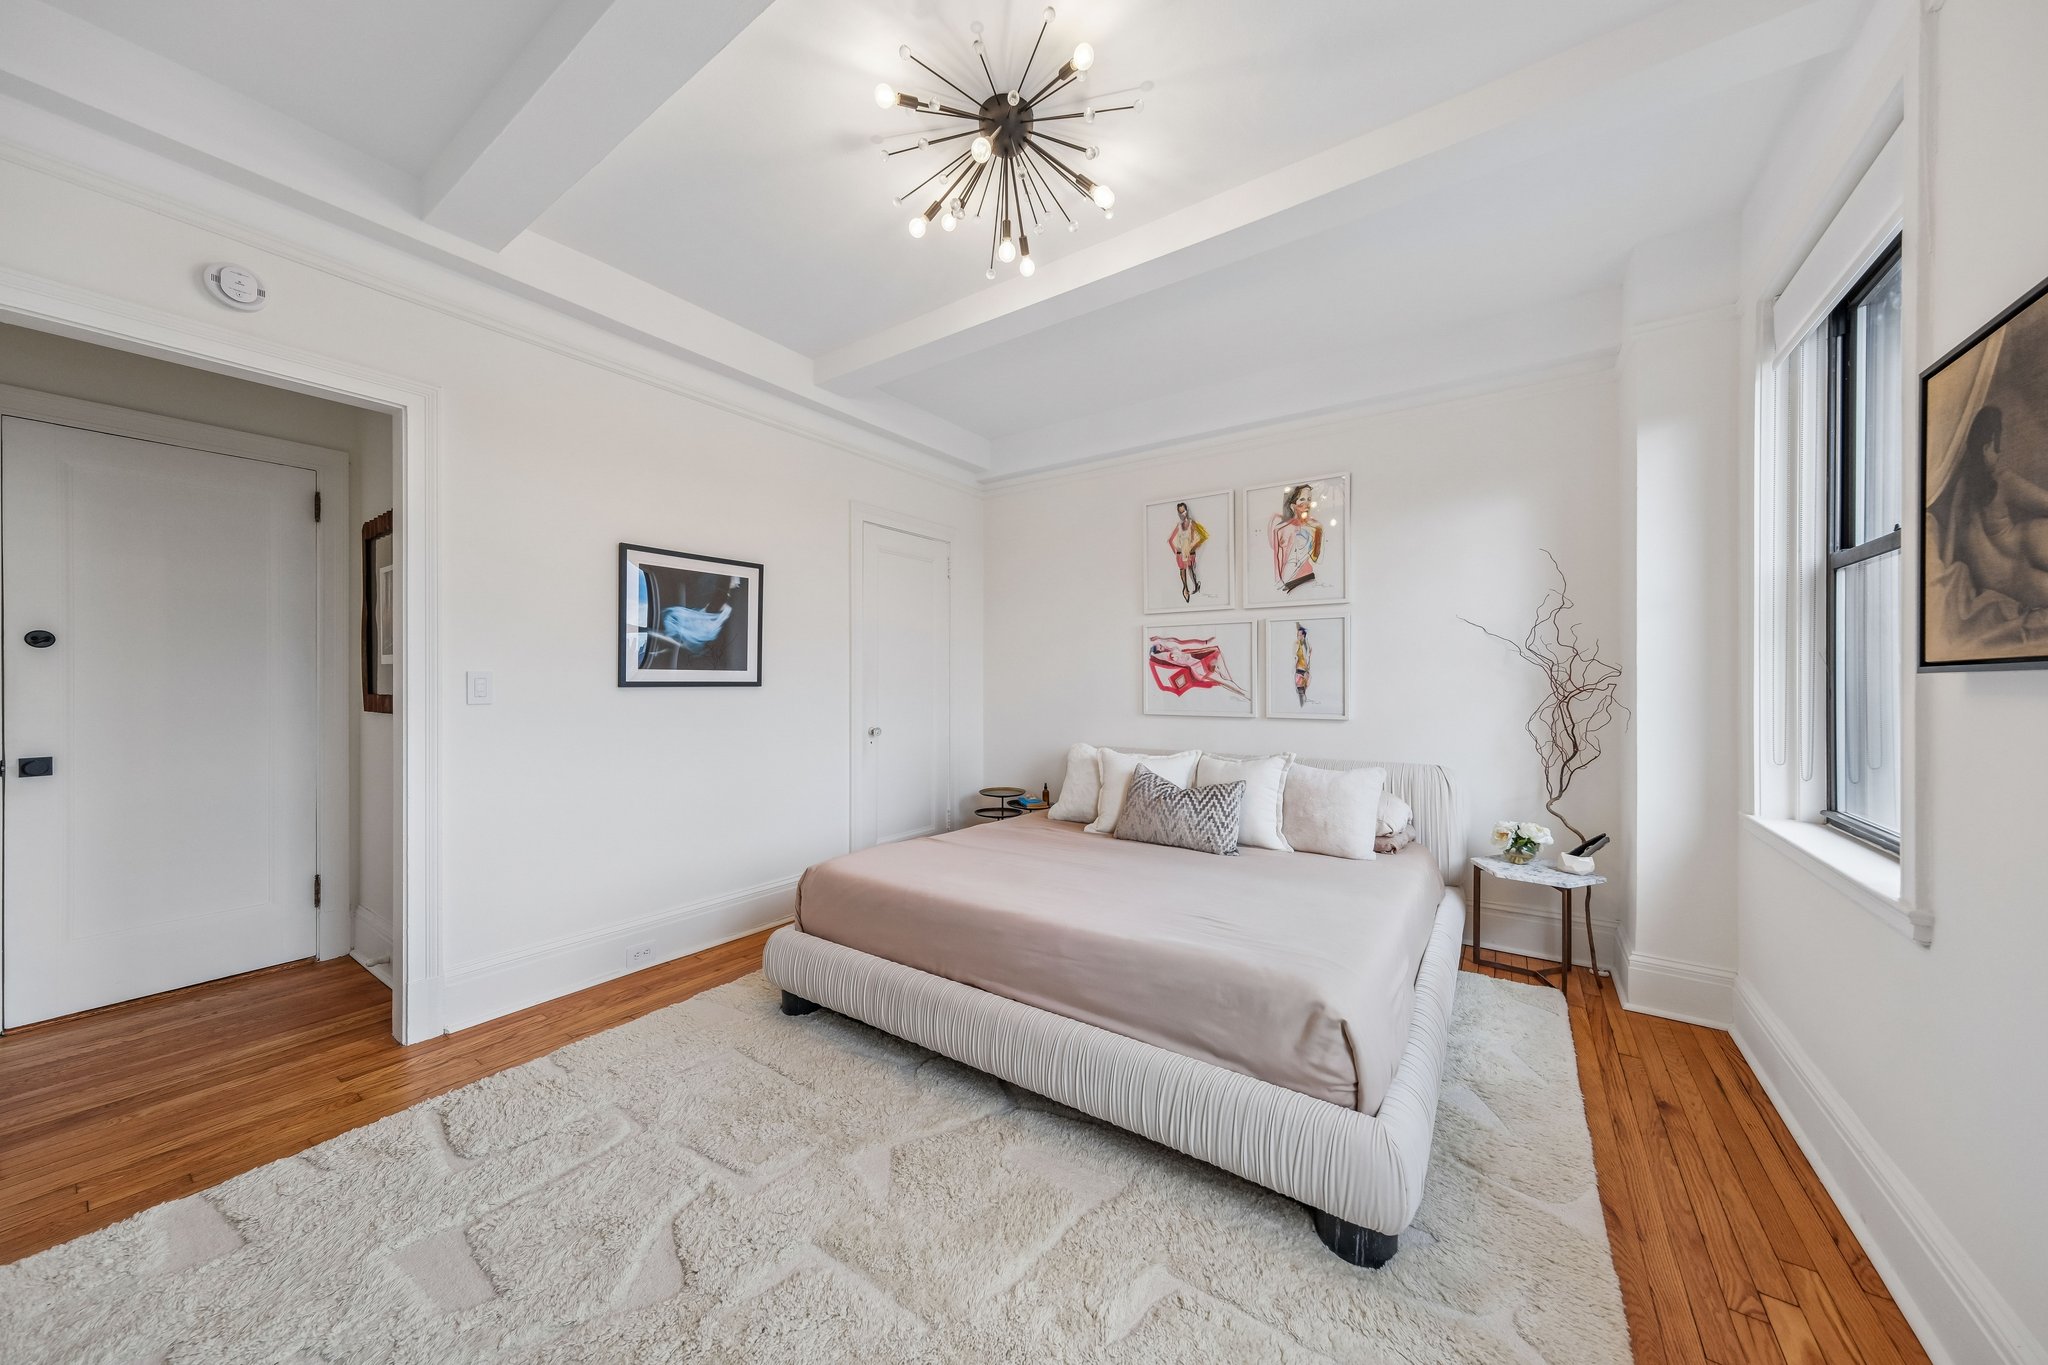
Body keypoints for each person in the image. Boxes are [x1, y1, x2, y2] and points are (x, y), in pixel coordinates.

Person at [1269, 484, 1323, 594]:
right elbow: (1277, 560)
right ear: (1292, 505)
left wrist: (1313, 539)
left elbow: (1317, 559)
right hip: (1286, 583)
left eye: (1309, 499)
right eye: (1302, 499)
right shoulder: (1279, 529)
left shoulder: (1316, 527)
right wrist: (1279, 584)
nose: (1307, 504)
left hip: (1307, 578)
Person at [1167, 501, 1209, 602]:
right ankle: (1185, 589)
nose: (1182, 515)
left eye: (1183, 512)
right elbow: (1170, 540)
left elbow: (1203, 537)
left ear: (1187, 511)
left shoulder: (1192, 524)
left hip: (1190, 553)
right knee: (1182, 570)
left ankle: (1195, 585)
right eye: (1179, 513)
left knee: (1190, 569)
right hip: (1181, 553)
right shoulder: (1178, 526)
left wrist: (1193, 547)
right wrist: (1176, 551)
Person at [1293, 621, 1312, 705]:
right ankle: (1302, 705)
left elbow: (1308, 657)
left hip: (1306, 671)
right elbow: (1294, 656)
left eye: (1299, 635)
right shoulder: (1297, 644)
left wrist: (1308, 669)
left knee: (1304, 691)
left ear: (1303, 635)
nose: (1298, 636)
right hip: (1299, 670)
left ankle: (1303, 706)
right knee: (1301, 692)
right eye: (1297, 635)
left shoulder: (1307, 645)